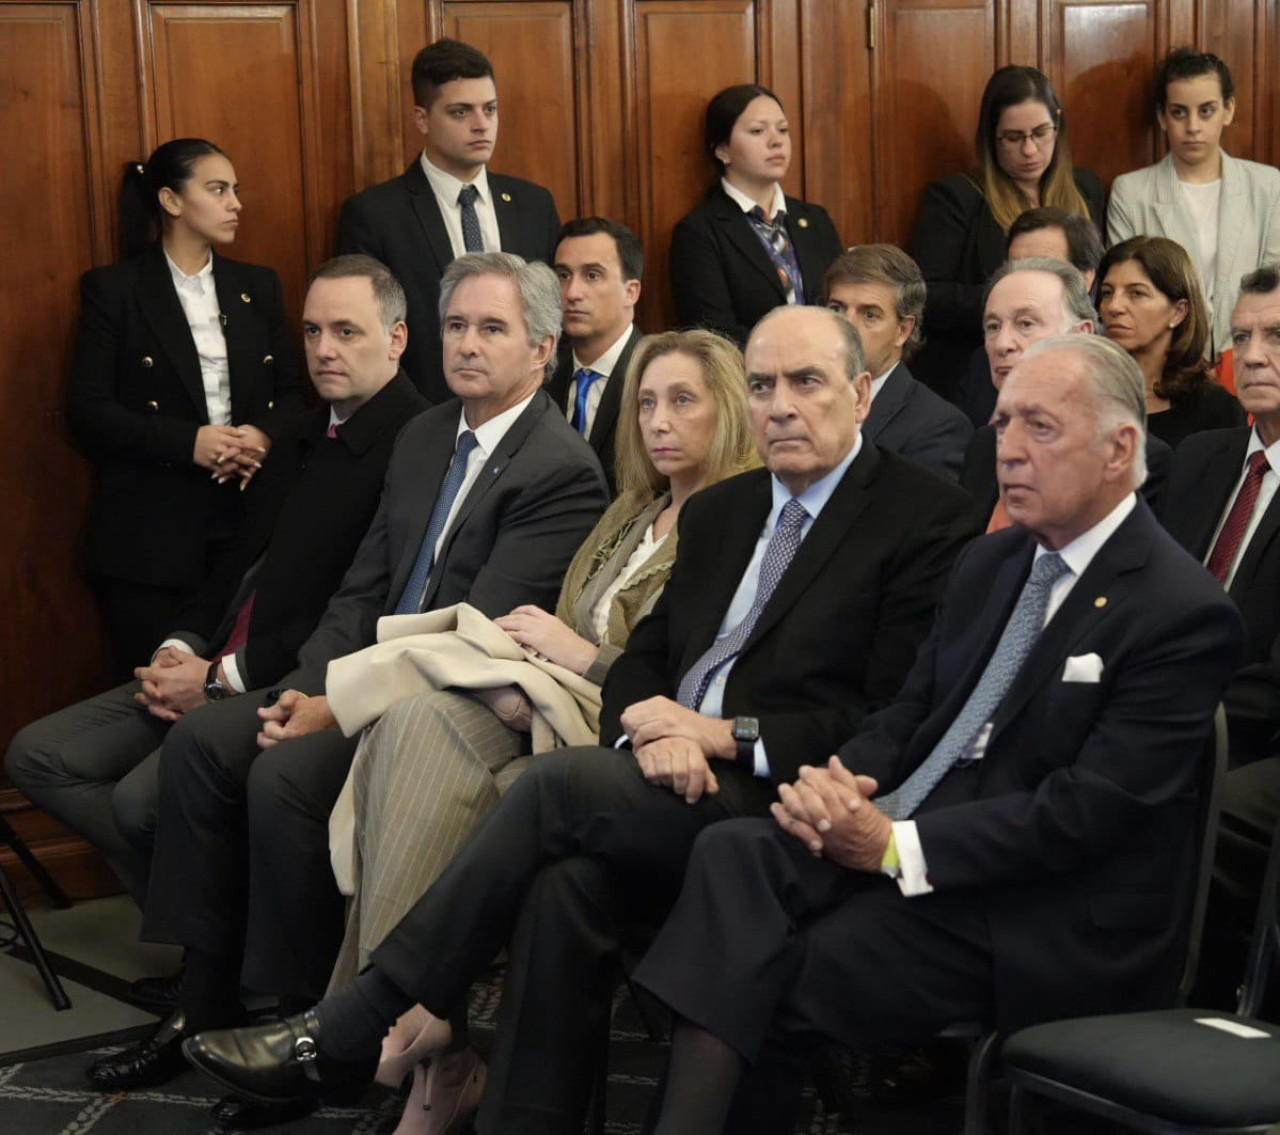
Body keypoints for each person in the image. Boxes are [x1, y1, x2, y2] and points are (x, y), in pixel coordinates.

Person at [180, 304, 981, 1134]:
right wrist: (649, 728)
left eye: (806, 382)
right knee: (565, 888)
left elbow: (890, 717)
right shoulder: (723, 510)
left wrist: (721, 734)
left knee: (557, 786)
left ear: (859, 392)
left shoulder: (924, 517)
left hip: (783, 794)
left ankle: (358, 1020)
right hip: (664, 775)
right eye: (764, 383)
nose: (781, 403)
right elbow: (643, 660)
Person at [631, 334, 1243, 1134]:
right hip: (907, 840)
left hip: (1032, 906)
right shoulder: (991, 565)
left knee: (762, 969)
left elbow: (1085, 812)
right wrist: (838, 782)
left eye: (1041, 429)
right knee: (732, 855)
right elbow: (910, 713)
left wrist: (892, 846)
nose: (1010, 451)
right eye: (1002, 425)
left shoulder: (1179, 609)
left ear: (1119, 447)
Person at [85, 253, 608, 1114]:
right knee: (209, 741)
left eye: (491, 328)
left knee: (282, 775)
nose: (467, 344)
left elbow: (468, 636)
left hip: (449, 701)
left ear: (541, 349)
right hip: (359, 668)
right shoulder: (427, 432)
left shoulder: (559, 468)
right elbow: (363, 590)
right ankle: (203, 1001)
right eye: (456, 325)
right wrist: (299, 685)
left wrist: (335, 704)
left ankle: (297, 1031)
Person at [329, 328, 759, 1132]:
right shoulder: (633, 509)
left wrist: (583, 660)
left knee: (504, 793)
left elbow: (687, 675)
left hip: (623, 728)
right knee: (409, 721)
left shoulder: (742, 522)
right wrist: (531, 668)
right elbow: (559, 618)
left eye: (681, 400)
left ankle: (404, 1024)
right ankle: (416, 1032)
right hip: (551, 696)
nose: (658, 420)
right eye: (645, 402)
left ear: (730, 409)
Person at [5, 255, 428, 912]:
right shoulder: (299, 430)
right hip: (211, 659)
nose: (323, 349)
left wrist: (216, 680)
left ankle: (205, 943)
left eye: (346, 332)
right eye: (312, 332)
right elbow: (235, 566)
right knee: (38, 756)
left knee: (138, 802)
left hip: (279, 679)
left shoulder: (416, 442)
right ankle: (206, 916)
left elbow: (350, 615)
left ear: (396, 338)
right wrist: (182, 644)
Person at [70, 138, 302, 678]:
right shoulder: (116, 290)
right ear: (172, 201)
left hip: (246, 521)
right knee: (152, 696)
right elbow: (89, 410)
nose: (235, 203)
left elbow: (295, 395)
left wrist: (261, 437)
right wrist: (190, 442)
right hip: (151, 534)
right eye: (218, 190)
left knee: (229, 693)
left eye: (235, 190)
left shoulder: (256, 286)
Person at [1159, 266, 1280, 1008]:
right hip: (1166, 710)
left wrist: (1173, 721)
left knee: (1168, 814)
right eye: (1242, 336)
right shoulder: (1202, 457)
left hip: (1253, 734)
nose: (1256, 354)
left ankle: (1165, 1023)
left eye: (1277, 337)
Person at [335, 39, 560, 401]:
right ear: (422, 119)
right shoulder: (375, 215)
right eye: (460, 112)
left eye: (490, 109)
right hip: (419, 420)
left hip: (525, 420)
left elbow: (550, 319)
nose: (481, 124)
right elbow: (368, 337)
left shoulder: (533, 205)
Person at [908, 66, 1106, 398]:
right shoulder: (958, 197)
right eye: (1014, 138)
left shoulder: (1085, 188)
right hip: (982, 372)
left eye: (1041, 133)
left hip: (1073, 365)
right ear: (992, 137)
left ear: (1058, 126)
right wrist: (1014, 303)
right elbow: (926, 294)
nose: (1029, 150)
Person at [961, 258, 1170, 523]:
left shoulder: (1129, 456)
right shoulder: (984, 445)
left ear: (1081, 335)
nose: (1002, 344)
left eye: (1025, 324)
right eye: (993, 327)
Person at [1107, 49, 1280, 360]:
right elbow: (1126, 292)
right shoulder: (1131, 192)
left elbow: (1274, 285)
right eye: (1179, 112)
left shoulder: (1268, 186)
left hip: (1250, 358)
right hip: (1164, 361)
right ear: (1162, 116)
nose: (1193, 127)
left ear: (1228, 110)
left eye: (1206, 111)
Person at [668, 84, 843, 348]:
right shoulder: (699, 232)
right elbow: (714, 336)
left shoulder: (815, 220)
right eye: (757, 131)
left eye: (782, 130)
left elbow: (842, 304)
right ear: (722, 150)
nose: (776, 140)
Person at [824, 245, 972, 480]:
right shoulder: (797, 400)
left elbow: (916, 516)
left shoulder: (938, 426)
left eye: (869, 315)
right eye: (836, 308)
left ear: (903, 330)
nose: (846, 326)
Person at [954, 206, 1105, 428]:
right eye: (1015, 266)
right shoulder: (981, 367)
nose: (1003, 344)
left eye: (1045, 265)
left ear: (1085, 278)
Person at [1099, 235, 1245, 448]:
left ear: (1178, 311)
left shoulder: (1217, 409)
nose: (1114, 306)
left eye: (1137, 293)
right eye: (1107, 293)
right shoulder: (1084, 392)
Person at [545, 218, 645, 494]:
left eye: (592, 275)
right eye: (563, 275)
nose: (572, 293)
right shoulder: (541, 375)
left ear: (631, 291)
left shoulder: (657, 373)